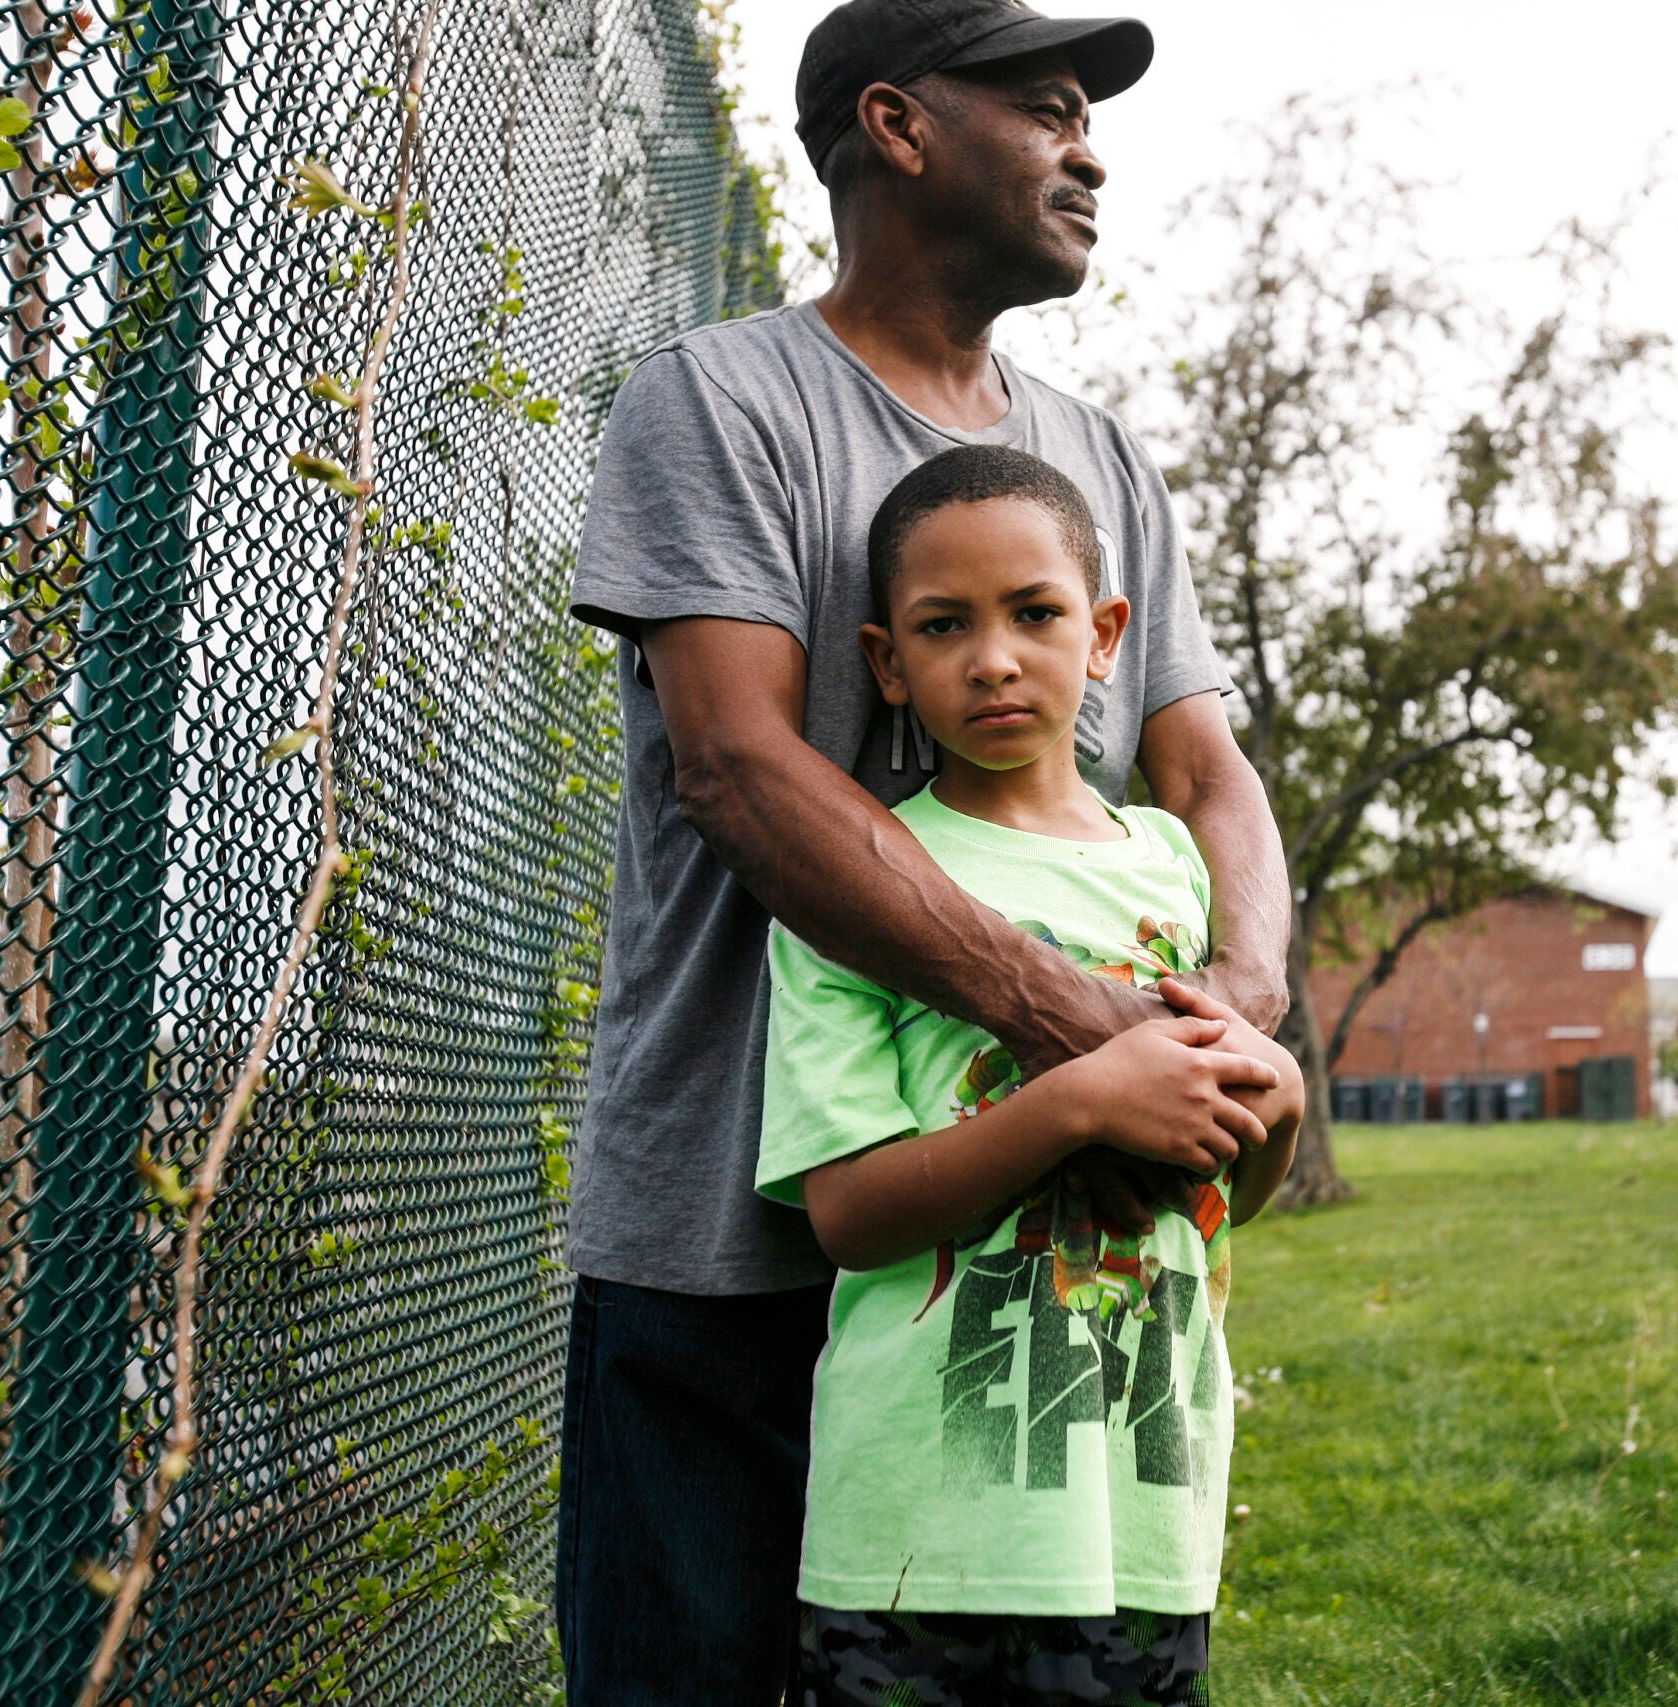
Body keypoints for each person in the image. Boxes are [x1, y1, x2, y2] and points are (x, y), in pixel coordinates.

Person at [557, 0, 1292, 1699]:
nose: (1089, 148)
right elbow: (738, 769)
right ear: (897, 127)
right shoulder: (725, 401)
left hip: (1037, 1297)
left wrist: (1236, 1014)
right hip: (737, 1256)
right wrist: (1077, 1026)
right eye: (1043, 108)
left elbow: (1208, 770)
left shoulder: (1098, 459)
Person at [764, 445, 1301, 1705]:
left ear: (1106, 634)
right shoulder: (863, 882)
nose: (993, 658)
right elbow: (846, 1216)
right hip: (914, 1543)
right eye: (943, 626)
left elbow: (1230, 1200)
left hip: (1142, 1527)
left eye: (1036, 615)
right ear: (887, 664)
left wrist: (1273, 1108)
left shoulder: (1175, 870)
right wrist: (1073, 1101)